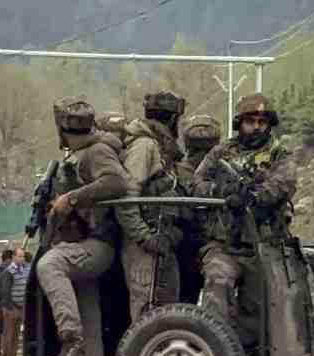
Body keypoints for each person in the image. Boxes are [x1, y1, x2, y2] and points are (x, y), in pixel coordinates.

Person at [36, 96, 130, 356]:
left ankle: (72, 342)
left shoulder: (97, 151)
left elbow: (116, 183)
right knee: (87, 309)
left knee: (50, 265)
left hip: (96, 243)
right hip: (82, 240)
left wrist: (72, 199)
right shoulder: (81, 153)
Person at [192, 94, 298, 332]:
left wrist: (252, 196)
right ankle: (216, 346)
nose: (257, 127)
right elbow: (197, 181)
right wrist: (222, 192)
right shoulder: (222, 152)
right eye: (251, 121)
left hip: (264, 244)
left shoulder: (279, 153)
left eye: (262, 122)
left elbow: (284, 183)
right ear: (240, 123)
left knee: (256, 308)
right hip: (224, 243)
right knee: (217, 282)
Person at [118, 90, 186, 320]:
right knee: (145, 309)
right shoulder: (144, 146)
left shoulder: (159, 146)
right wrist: (145, 237)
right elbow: (126, 197)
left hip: (160, 239)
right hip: (144, 244)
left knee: (165, 309)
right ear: (172, 118)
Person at [0, 247, 30, 356]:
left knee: (16, 335)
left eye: (23, 256)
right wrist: (10, 307)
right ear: (14, 257)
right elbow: (5, 291)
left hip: (21, 307)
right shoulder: (9, 271)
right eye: (20, 256)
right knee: (9, 335)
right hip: (11, 307)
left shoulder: (24, 270)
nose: (22, 259)